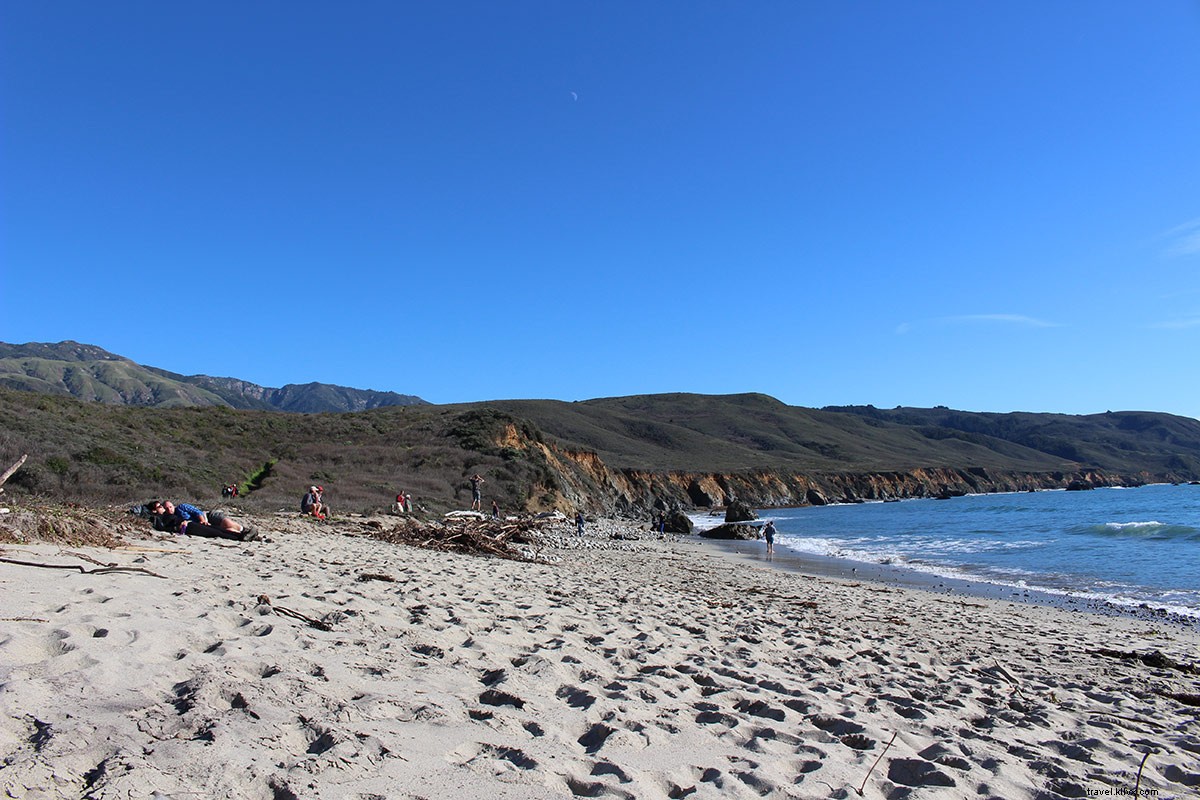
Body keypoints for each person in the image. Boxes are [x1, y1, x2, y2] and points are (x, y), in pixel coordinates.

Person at [149, 500, 258, 541]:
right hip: (190, 526)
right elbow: (164, 527)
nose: (166, 509)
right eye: (161, 507)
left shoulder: (180, 508)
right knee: (216, 532)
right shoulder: (159, 518)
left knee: (221, 527)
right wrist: (179, 527)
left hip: (203, 518)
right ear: (154, 510)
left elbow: (198, 512)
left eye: (169, 507)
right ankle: (241, 536)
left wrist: (203, 520)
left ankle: (244, 533)